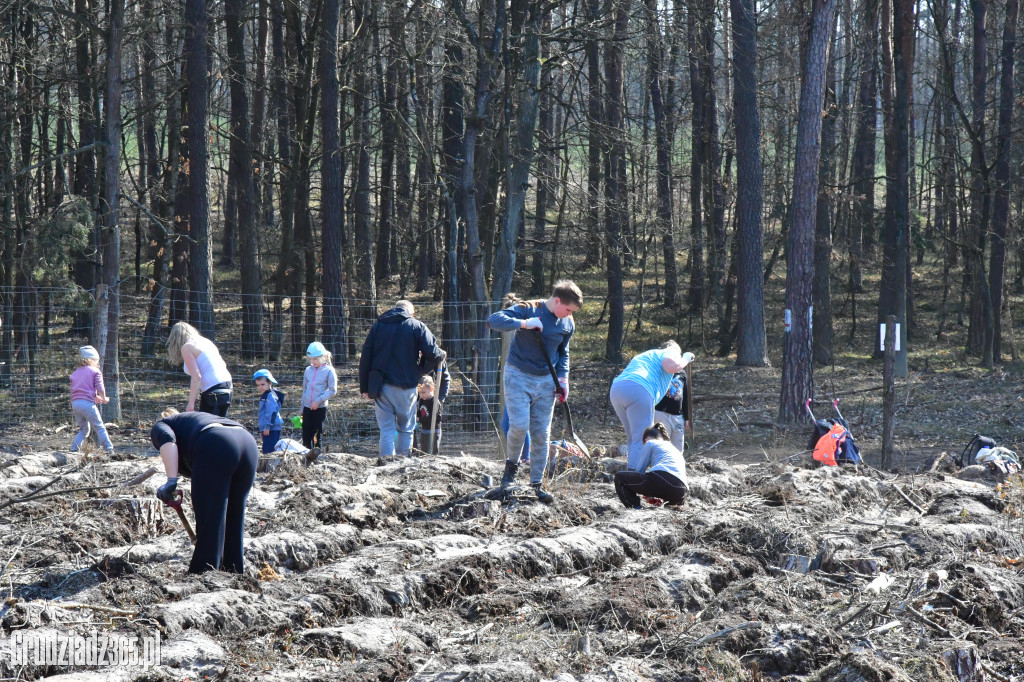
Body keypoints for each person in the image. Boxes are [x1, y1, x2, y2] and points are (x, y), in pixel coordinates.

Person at [486, 280, 583, 503]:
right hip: (518, 374)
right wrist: (525, 324)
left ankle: (537, 484)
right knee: (519, 425)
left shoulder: (567, 322)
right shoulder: (529, 308)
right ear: (557, 300)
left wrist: (563, 379)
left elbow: (563, 353)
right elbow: (494, 320)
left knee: (542, 433)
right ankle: (509, 473)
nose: (569, 314)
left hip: (547, 381)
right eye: (567, 309)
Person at [152, 408, 258, 574]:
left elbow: (167, 439)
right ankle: (233, 570)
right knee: (234, 513)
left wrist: (171, 481)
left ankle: (204, 572)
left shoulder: (162, 425)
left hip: (215, 442)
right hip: (248, 442)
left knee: (211, 515)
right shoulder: (195, 420)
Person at [359, 301, 447, 458]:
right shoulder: (416, 326)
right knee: (406, 428)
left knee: (386, 429)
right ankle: (402, 463)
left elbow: (366, 355)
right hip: (406, 386)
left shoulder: (378, 325)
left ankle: (385, 461)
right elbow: (433, 353)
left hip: (381, 386)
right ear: (411, 313)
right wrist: (438, 356)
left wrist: (364, 386)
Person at [609, 341, 694, 465]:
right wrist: (685, 358)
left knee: (634, 437)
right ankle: (638, 476)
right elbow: (671, 367)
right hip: (639, 389)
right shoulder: (670, 352)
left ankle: (632, 471)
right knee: (642, 439)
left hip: (617, 389)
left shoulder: (648, 354)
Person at [613, 423, 688, 509]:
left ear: (646, 439)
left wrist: (645, 494)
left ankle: (635, 507)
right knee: (656, 481)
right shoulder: (674, 449)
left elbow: (640, 471)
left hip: (664, 479)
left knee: (620, 477)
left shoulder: (650, 443)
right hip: (681, 491)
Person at [166, 321, 233, 416]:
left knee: (206, 428)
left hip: (213, 391)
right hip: (227, 387)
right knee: (220, 426)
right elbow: (222, 364)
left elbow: (196, 376)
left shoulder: (187, 347)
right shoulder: (206, 342)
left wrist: (191, 404)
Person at [69, 345, 113, 453]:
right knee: (99, 426)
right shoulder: (95, 371)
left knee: (84, 429)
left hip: (75, 403)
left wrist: (94, 396)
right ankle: (109, 449)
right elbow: (100, 388)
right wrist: (103, 398)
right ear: (93, 359)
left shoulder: (75, 372)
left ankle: (74, 449)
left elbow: (80, 389)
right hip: (87, 404)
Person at [301, 342, 337, 449]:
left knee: (316, 434)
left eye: (315, 359)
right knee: (306, 433)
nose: (313, 362)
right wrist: (302, 407)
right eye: (311, 359)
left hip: (320, 408)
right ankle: (305, 455)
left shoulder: (329, 371)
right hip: (307, 407)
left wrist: (318, 401)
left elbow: (332, 390)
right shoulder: (308, 370)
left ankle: (316, 455)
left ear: (324, 357)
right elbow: (305, 390)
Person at [414, 367, 449, 453]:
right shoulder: (422, 400)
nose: (421, 395)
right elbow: (419, 413)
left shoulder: (434, 402)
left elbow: (431, 419)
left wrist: (418, 419)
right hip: (424, 431)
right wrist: (415, 416)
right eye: (419, 393)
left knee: (432, 451)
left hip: (434, 431)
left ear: (431, 389)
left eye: (423, 392)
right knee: (424, 451)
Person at [653, 372, 689, 452]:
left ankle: (677, 464)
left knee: (678, 446)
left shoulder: (682, 374)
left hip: (677, 415)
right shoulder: (661, 370)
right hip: (661, 413)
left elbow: (685, 396)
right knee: (662, 444)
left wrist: (686, 417)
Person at [253, 369, 284, 455]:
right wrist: (262, 429)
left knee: (270, 451)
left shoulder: (270, 396)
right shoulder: (265, 395)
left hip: (272, 428)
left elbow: (271, 413)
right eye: (258, 385)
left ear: (270, 382)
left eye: (263, 384)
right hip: (268, 427)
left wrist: (267, 427)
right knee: (267, 449)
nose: (260, 387)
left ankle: (271, 467)